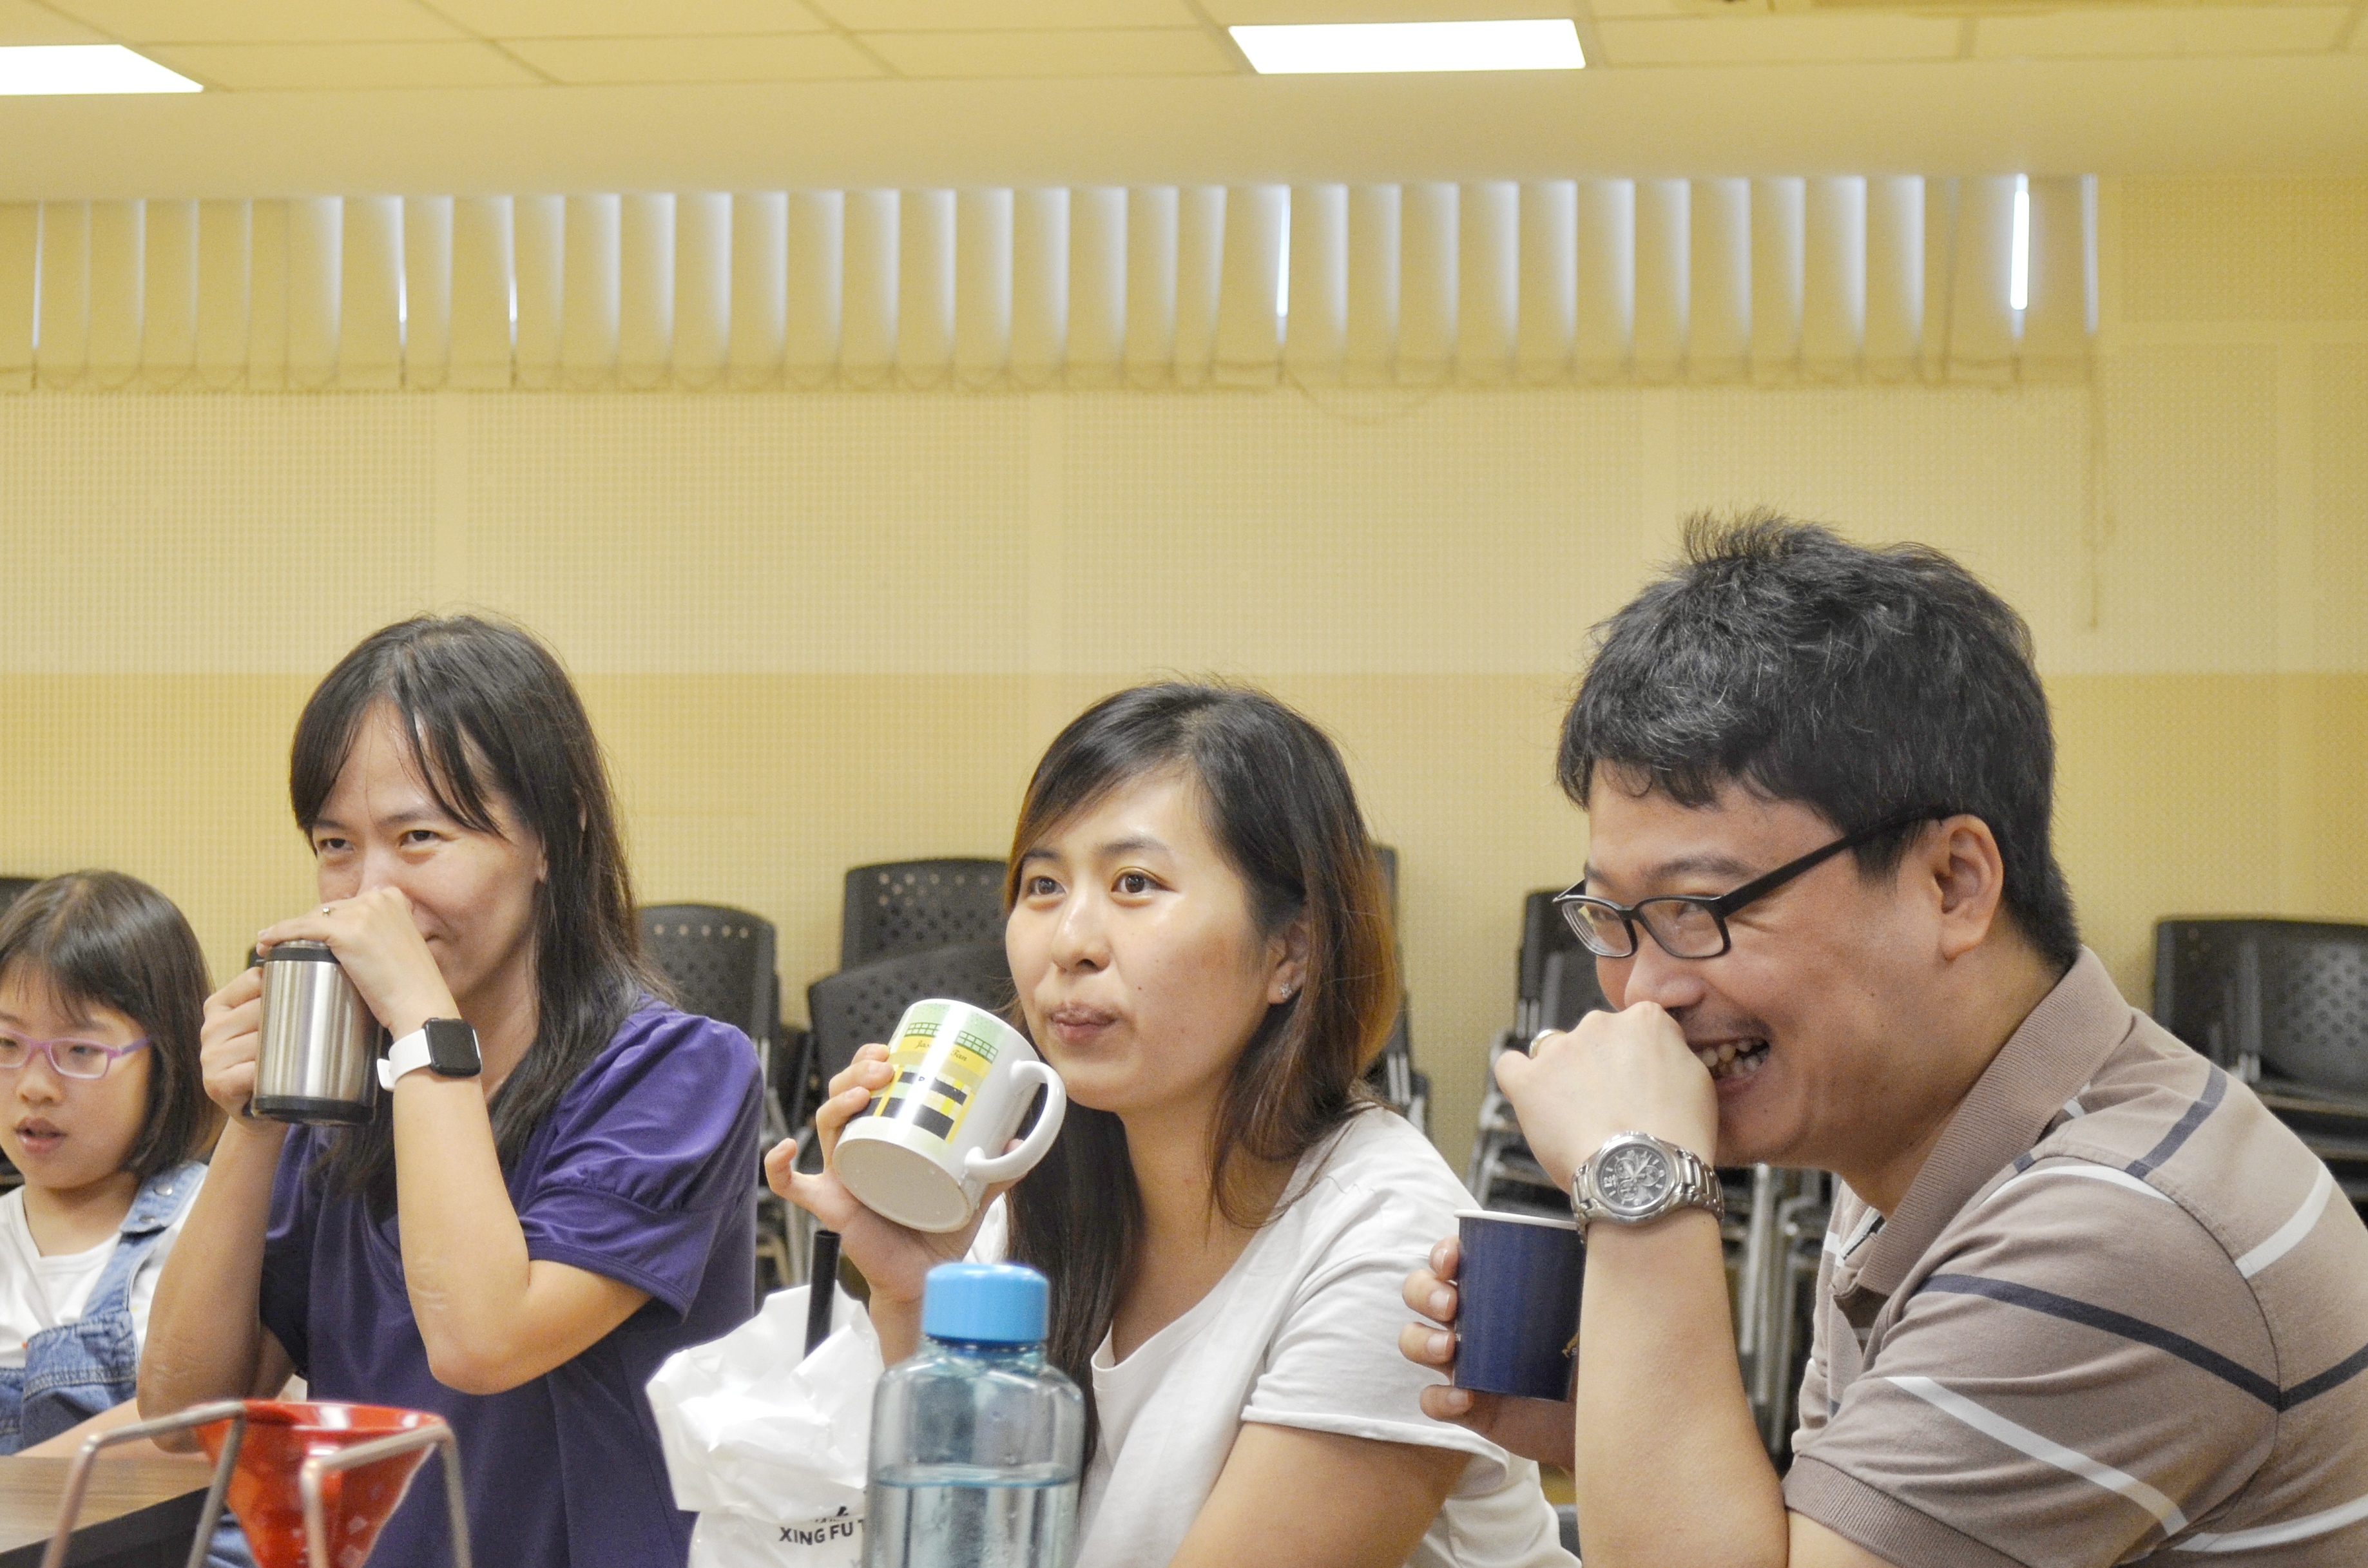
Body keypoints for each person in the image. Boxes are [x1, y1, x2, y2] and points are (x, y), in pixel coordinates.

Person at [1399, 514, 2368, 1566]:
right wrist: (1618, 1409)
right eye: (1611, 917)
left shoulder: (2114, 1230)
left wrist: (1641, 1185)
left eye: (1701, 906)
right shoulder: (1916, 1143)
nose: (1644, 990)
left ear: (1952, 883)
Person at [773, 683, 1571, 1568]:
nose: (1069, 941)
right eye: (1042, 885)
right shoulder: (1037, 1190)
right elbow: (964, 1548)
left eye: (1135, 884)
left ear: (1290, 951)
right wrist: (917, 1294)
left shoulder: (1393, 1245)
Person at [140, 615, 764, 1568]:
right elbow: (184, 1412)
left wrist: (423, 1026)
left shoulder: (679, 1071)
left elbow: (483, 1341)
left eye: (419, 836)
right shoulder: (349, 1090)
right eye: (335, 842)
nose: (371, 894)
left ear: (553, 836)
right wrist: (255, 1121)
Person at [0, 872, 219, 1457]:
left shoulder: (211, 1224)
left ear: (167, 1060)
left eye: (81, 1051)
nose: (35, 1086)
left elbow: (207, 1423)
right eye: (7, 1045)